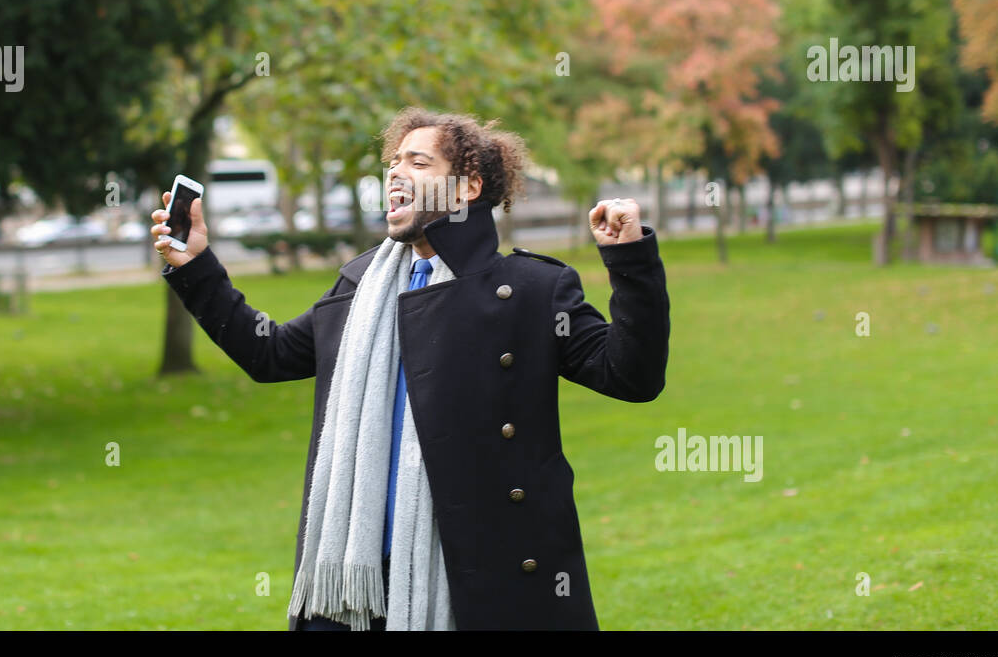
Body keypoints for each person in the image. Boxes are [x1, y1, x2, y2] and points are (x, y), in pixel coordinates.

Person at [152, 108, 671, 630]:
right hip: (356, 586)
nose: (395, 173)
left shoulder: (532, 290)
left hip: (478, 580)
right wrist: (197, 267)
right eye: (393, 161)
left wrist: (631, 264)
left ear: (467, 188)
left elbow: (631, 377)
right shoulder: (361, 285)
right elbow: (269, 355)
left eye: (418, 162)